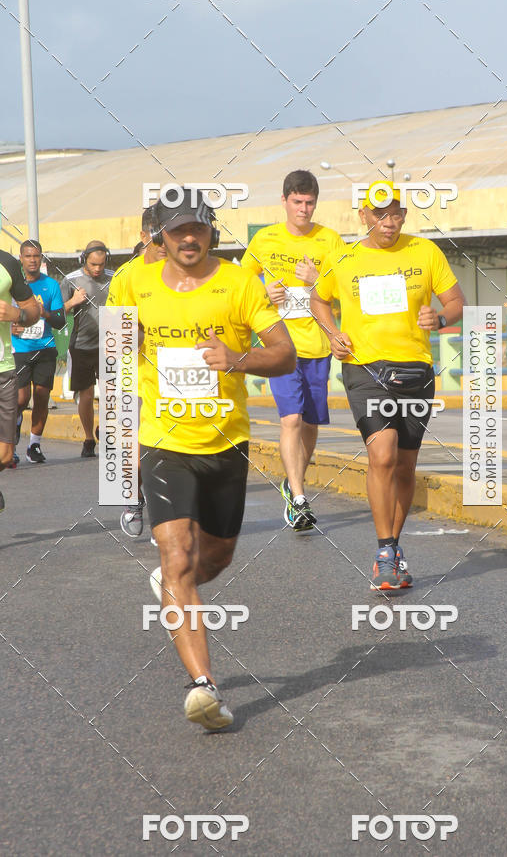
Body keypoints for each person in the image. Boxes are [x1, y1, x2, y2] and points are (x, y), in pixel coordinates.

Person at [124, 190, 295, 728]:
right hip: (163, 441)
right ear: (159, 236)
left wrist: (238, 359)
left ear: (210, 231)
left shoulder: (240, 282)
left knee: (214, 559)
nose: (188, 238)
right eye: (177, 231)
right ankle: (205, 688)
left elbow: (285, 353)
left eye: (197, 228)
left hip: (225, 441)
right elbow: (116, 355)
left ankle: (179, 586)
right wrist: (122, 436)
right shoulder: (132, 283)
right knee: (176, 557)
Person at [311, 181, 466, 591]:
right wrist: (331, 333)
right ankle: (383, 551)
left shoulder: (425, 252)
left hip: (416, 369)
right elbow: (318, 298)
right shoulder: (342, 256)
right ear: (363, 216)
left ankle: (393, 546)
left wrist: (442, 319)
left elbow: (456, 301)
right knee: (382, 455)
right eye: (380, 214)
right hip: (364, 368)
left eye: (396, 213)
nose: (389, 221)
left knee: (405, 464)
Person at [242, 170, 344, 531]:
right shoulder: (266, 238)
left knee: (311, 423)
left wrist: (319, 280)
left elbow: (346, 286)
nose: (304, 208)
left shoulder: (330, 239)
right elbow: (242, 280)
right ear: (284, 201)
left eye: (310, 202)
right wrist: (262, 292)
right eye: (297, 202)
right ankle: (299, 497)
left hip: (317, 344)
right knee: (291, 420)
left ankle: (292, 479)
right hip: (281, 345)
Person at [106, 207, 166, 538]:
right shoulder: (126, 276)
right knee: (137, 448)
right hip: (135, 371)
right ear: (144, 235)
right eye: (157, 234)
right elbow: (116, 333)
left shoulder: (185, 269)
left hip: (178, 374)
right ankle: (133, 498)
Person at [11, 239, 65, 464]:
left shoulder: (51, 285)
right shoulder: (12, 285)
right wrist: (12, 324)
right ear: (21, 259)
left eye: (36, 256)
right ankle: (10, 438)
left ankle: (34, 444)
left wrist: (45, 314)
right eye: (28, 256)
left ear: (41, 258)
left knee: (42, 396)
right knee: (21, 398)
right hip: (20, 349)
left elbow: (61, 321)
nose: (33, 260)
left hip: (45, 347)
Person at [60, 241, 113, 457]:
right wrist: (73, 301)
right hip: (81, 345)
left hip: (109, 345)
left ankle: (108, 430)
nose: (98, 269)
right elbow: (57, 312)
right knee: (87, 394)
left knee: (111, 394)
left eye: (101, 264)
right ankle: (89, 438)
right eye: (93, 264)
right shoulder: (71, 280)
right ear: (84, 260)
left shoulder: (114, 277)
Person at [0, 249, 41, 509]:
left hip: (2, 368)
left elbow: (33, 311)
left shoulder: (7, 263)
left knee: (4, 455)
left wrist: (16, 315)